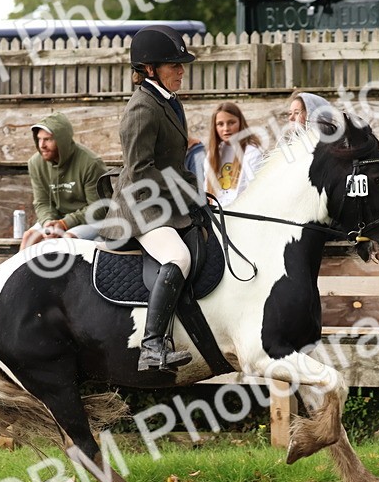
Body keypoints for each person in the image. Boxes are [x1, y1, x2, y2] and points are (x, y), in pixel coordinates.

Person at [101, 25, 202, 373]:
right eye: (174, 64)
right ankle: (152, 345)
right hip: (140, 206)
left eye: (180, 64)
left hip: (164, 201)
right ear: (148, 69)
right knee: (179, 257)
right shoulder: (142, 109)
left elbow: (173, 164)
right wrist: (188, 192)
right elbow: (141, 172)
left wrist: (200, 193)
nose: (181, 70)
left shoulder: (168, 102)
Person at [19, 112, 108, 250]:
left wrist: (65, 223)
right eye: (39, 139)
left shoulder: (90, 163)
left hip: (93, 221)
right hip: (58, 219)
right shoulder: (35, 163)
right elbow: (42, 202)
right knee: (29, 238)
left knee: (67, 240)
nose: (42, 145)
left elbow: (98, 209)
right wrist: (48, 222)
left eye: (48, 139)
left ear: (62, 141)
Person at [203, 102, 264, 207]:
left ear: (240, 123)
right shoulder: (213, 154)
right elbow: (207, 193)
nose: (226, 129)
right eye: (220, 124)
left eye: (231, 123)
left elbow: (255, 192)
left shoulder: (252, 152)